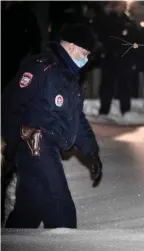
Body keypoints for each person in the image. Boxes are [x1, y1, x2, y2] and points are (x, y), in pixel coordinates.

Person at [1, 23, 103, 229]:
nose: (86, 59)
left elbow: (76, 118)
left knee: (30, 208)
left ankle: (12, 239)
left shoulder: (70, 76)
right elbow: (11, 104)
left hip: (49, 146)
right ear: (72, 47)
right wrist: (11, 146)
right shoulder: (41, 67)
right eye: (85, 53)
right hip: (34, 141)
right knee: (59, 205)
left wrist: (92, 152)